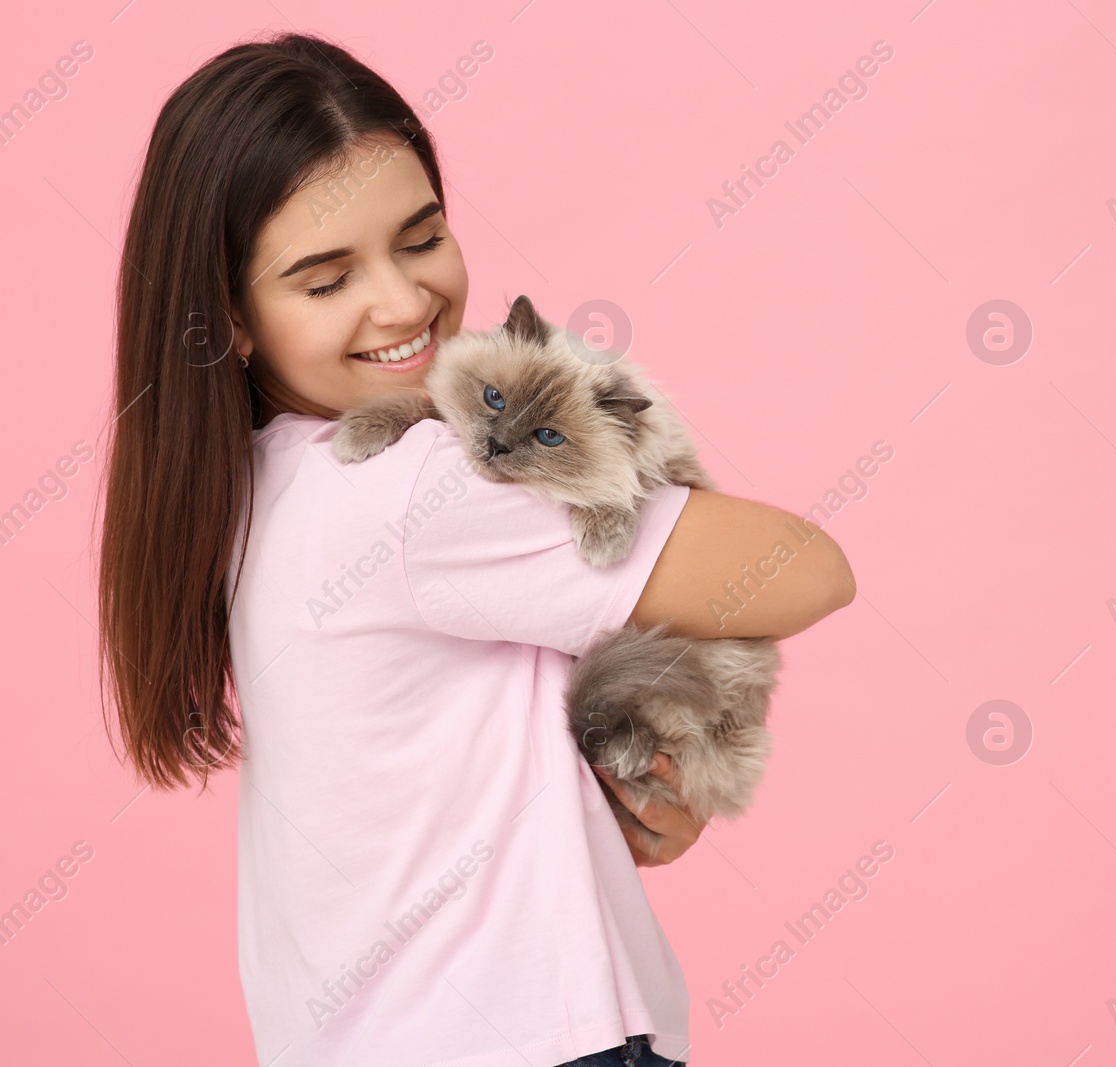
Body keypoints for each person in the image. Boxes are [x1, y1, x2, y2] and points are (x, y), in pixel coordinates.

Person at [97, 31, 854, 1067]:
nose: (405, 303)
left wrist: (626, 782)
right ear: (229, 314)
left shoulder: (258, 487)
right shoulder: (414, 488)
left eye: (421, 237)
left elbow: (444, 750)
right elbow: (807, 566)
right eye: (326, 280)